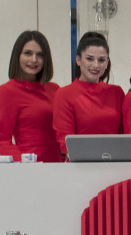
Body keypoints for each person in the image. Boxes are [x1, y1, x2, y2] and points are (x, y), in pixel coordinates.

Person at [52, 31, 124, 159]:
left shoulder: (116, 93)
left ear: (107, 63)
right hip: (79, 165)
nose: (96, 65)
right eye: (90, 59)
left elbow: (124, 137)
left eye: (101, 60)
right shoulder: (64, 94)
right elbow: (65, 142)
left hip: (113, 163)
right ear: (78, 60)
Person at [0, 30, 61, 162]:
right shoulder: (5, 92)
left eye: (40, 55)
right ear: (17, 56)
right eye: (28, 53)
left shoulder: (54, 89)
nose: (34, 59)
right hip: (28, 167)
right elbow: (1, 141)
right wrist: (27, 163)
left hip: (58, 165)